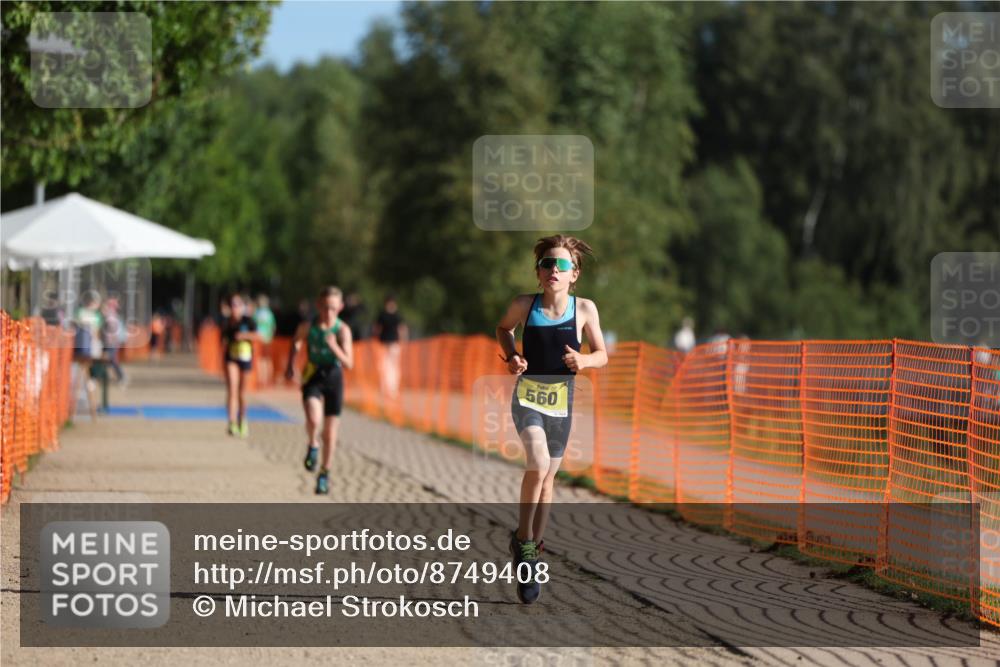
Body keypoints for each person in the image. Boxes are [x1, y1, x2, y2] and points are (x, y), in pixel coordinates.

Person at [495, 234, 608, 604]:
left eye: (561, 265)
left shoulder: (585, 309)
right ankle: (524, 540)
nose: (553, 270)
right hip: (528, 397)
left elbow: (602, 354)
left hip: (562, 401)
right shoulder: (524, 305)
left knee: (548, 481)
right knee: (539, 463)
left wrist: (584, 360)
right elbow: (503, 329)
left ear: (574, 274)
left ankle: (531, 548)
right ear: (538, 272)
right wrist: (513, 357)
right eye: (547, 264)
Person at [285, 287, 354, 495]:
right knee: (314, 419)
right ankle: (313, 444)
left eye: (333, 308)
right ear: (318, 306)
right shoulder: (308, 326)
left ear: (340, 307)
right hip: (313, 375)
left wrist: (334, 347)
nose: (328, 312)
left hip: (334, 377)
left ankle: (324, 474)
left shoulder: (342, 330)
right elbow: (296, 341)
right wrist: (290, 365)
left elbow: (349, 363)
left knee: (330, 433)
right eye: (324, 307)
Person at [221, 293, 258, 437]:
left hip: (245, 358)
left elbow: (259, 335)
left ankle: (242, 420)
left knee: (242, 393)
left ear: (242, 306)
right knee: (232, 389)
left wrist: (245, 336)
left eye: (237, 305)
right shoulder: (226, 323)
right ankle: (231, 422)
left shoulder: (248, 321)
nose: (234, 308)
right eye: (232, 305)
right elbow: (223, 342)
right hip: (231, 358)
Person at [72, 291, 104, 419]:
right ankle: (91, 381)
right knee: (91, 368)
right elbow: (96, 333)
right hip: (87, 350)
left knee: (88, 369)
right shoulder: (94, 315)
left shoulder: (81, 313)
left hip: (83, 348)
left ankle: (91, 382)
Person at [372, 294, 408, 400]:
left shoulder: (396, 315)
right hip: (383, 344)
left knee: (392, 367)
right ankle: (385, 389)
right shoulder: (384, 315)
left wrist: (403, 341)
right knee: (384, 366)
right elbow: (377, 329)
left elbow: (401, 329)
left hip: (393, 344)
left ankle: (392, 389)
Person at [100, 296, 128, 386]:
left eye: (105, 307)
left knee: (111, 360)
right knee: (109, 360)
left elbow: (111, 331)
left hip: (111, 343)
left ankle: (121, 376)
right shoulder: (111, 316)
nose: (102, 309)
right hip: (109, 342)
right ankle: (107, 377)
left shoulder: (110, 317)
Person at [253, 294, 277, 386]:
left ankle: (261, 379)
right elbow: (274, 327)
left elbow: (253, 326)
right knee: (268, 359)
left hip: (259, 339)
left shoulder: (257, 313)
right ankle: (268, 379)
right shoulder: (270, 313)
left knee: (260, 360)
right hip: (268, 339)